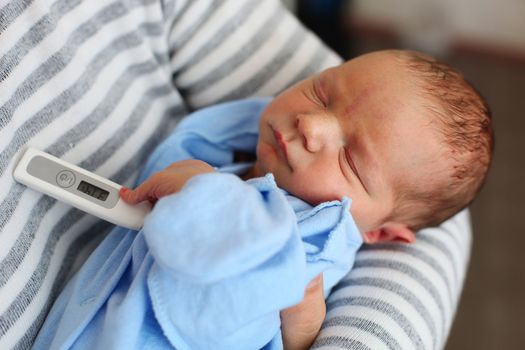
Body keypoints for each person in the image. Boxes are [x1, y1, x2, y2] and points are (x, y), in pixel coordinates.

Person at [32, 49, 493, 350]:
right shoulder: (250, 171)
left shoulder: (319, 232)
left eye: (351, 160)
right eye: (322, 92)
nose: (312, 125)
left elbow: (232, 269)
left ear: (376, 232)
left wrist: (199, 189)